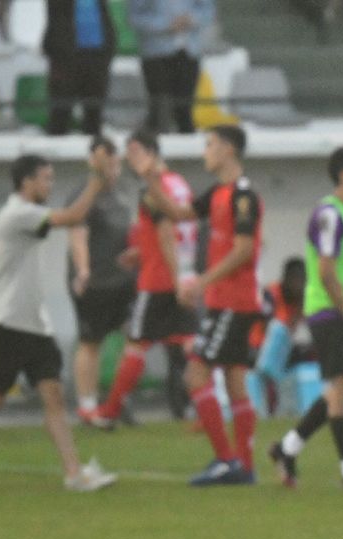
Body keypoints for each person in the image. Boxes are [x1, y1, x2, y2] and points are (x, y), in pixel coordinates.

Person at [0, 155, 118, 494]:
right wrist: (96, 179)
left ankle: (74, 473)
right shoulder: (17, 214)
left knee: (53, 398)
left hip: (37, 325)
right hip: (10, 322)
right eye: (45, 179)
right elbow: (74, 216)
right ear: (26, 183)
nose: (50, 185)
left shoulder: (27, 214)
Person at [136, 125, 263, 486]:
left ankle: (226, 460)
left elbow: (243, 250)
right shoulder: (219, 193)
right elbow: (178, 214)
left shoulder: (242, 196)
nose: (204, 151)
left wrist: (200, 283)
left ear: (228, 149)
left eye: (209, 144)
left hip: (233, 302)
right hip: (230, 301)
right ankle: (245, 467)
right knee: (235, 381)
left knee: (196, 374)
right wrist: (150, 180)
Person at [269, 147, 343, 490]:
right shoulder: (329, 214)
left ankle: (286, 448)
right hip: (329, 311)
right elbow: (325, 272)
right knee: (342, 388)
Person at [92, 129, 199, 428]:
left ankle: (109, 411)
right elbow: (174, 230)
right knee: (190, 346)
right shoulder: (178, 183)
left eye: (135, 152)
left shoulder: (155, 189)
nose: (129, 159)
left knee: (136, 344)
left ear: (150, 152)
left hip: (160, 280)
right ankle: (207, 408)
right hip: (181, 274)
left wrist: (173, 277)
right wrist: (141, 252)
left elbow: (166, 233)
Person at [65, 136, 137, 423]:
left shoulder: (121, 194)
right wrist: (83, 271)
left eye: (115, 162)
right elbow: (77, 235)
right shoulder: (82, 194)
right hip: (95, 282)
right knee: (90, 342)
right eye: (106, 162)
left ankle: (119, 400)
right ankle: (87, 405)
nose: (112, 169)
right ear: (93, 162)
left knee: (133, 337)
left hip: (123, 281)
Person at [128, 0, 216, 133]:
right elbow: (135, 17)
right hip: (156, 54)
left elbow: (208, 11)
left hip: (189, 53)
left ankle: (187, 148)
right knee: (160, 107)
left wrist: (191, 19)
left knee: (185, 106)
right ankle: (156, 146)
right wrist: (166, 25)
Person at [42, 0, 115, 136]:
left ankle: (94, 147)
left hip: (97, 56)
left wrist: (108, 48)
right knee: (62, 108)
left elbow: (106, 20)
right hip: (66, 58)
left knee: (94, 109)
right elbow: (56, 25)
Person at [250, 256, 308, 415]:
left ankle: (286, 408)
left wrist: (301, 307)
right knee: (278, 328)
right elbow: (266, 323)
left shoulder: (301, 301)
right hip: (258, 346)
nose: (298, 285)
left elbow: (295, 329)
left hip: (281, 352)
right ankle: (269, 374)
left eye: (301, 281)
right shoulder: (272, 293)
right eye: (295, 280)